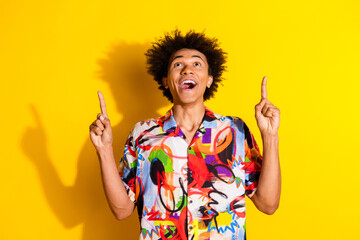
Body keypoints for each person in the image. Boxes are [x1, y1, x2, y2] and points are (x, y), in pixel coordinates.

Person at [89, 30, 281, 240]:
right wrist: (103, 150)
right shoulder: (142, 135)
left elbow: (268, 204)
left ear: (209, 80)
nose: (187, 69)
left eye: (197, 64)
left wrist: (270, 137)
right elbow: (122, 210)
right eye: (178, 64)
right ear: (165, 80)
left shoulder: (235, 131)